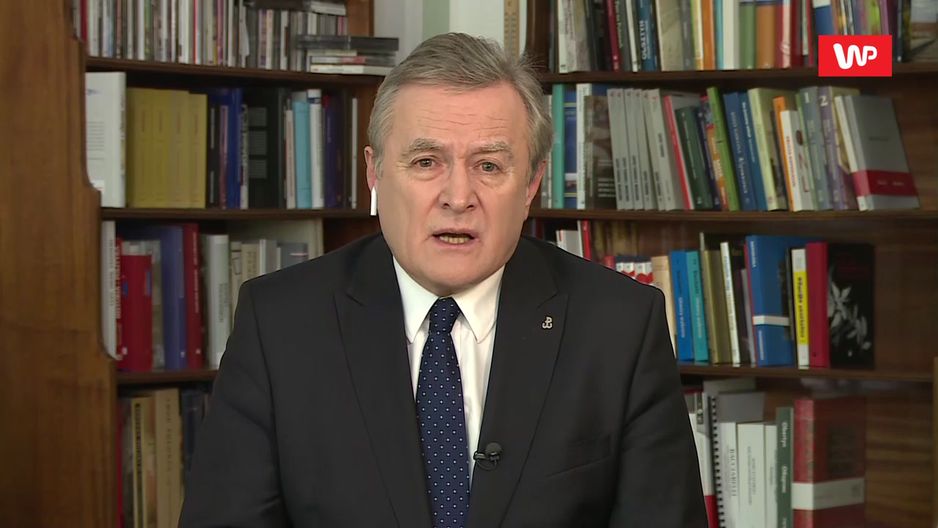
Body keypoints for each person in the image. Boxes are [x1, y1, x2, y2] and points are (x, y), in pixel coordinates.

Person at [180, 33, 707, 527]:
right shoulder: (279, 325)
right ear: (374, 172)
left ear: (532, 183)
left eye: (489, 166)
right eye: (426, 161)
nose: (458, 197)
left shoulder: (619, 328)